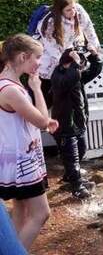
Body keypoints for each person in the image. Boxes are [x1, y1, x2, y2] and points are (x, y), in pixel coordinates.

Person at [0, 34, 58, 250]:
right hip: (22, 163)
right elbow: (43, 122)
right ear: (23, 56)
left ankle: (8, 249)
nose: (39, 62)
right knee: (41, 213)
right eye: (37, 57)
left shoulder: (8, 84)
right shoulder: (11, 90)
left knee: (21, 211)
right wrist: (36, 88)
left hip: (15, 160)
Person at [50, 46, 102, 199]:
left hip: (77, 124)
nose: (81, 66)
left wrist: (94, 55)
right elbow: (67, 81)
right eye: (78, 63)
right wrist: (75, 64)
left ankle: (69, 176)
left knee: (81, 150)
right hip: (65, 125)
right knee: (72, 157)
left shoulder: (76, 74)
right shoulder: (58, 75)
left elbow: (94, 71)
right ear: (68, 62)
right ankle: (77, 187)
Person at [36, 0, 101, 107]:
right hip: (47, 61)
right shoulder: (49, 23)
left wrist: (94, 47)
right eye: (68, 10)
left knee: (70, 93)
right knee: (47, 99)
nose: (73, 12)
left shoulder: (79, 11)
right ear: (60, 10)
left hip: (67, 52)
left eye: (73, 7)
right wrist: (63, 68)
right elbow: (53, 50)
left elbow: (89, 28)